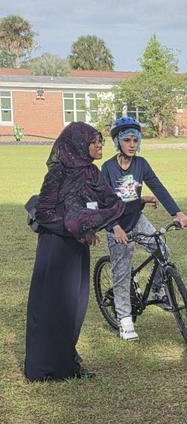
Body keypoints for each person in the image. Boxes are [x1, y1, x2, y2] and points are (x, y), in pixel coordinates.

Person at [24, 122, 124, 381]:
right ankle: (43, 368)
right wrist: (78, 226)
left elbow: (110, 202)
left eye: (101, 141)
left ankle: (68, 362)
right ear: (79, 144)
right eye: (95, 141)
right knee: (50, 306)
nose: (100, 145)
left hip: (77, 248)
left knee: (74, 306)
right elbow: (45, 213)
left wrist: (91, 223)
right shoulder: (58, 173)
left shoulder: (92, 173)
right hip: (55, 247)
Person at [100, 117, 187, 341]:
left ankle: (159, 289)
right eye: (127, 140)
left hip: (136, 219)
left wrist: (176, 212)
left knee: (162, 250)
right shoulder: (108, 168)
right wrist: (114, 227)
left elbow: (158, 187)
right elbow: (105, 203)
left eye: (135, 140)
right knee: (121, 273)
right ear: (118, 142)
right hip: (117, 224)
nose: (132, 144)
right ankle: (125, 320)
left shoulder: (141, 164)